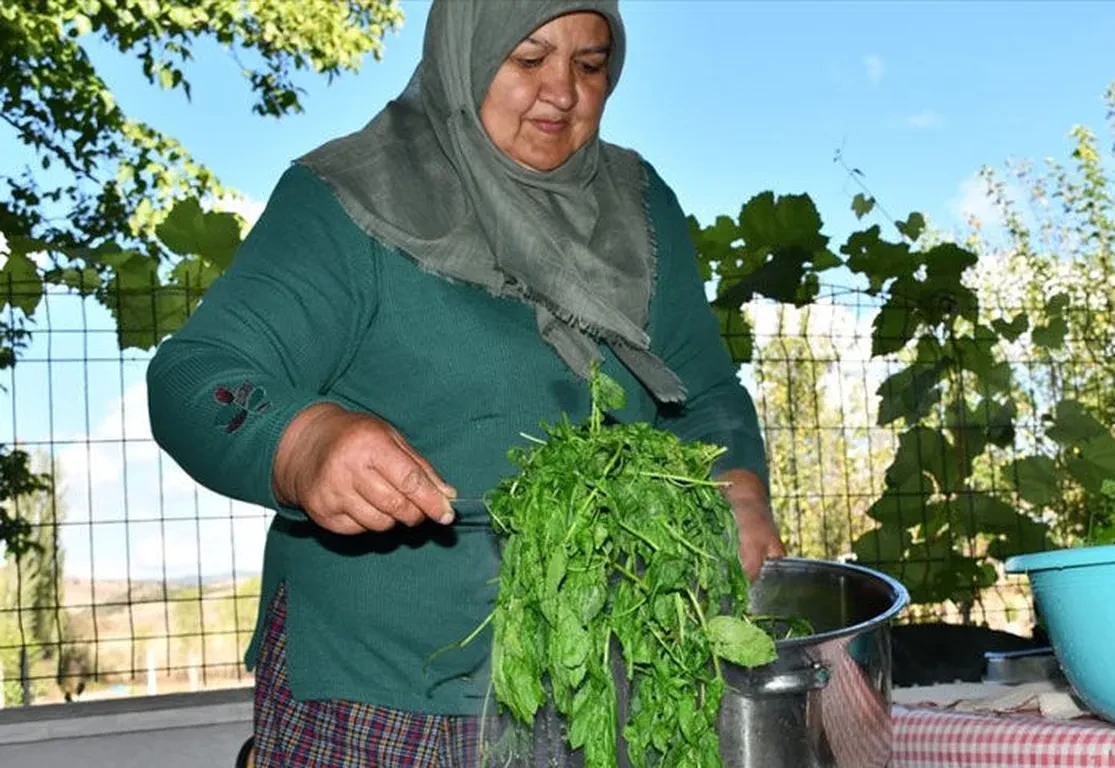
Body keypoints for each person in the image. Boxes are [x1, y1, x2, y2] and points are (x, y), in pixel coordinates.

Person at [147, 0, 784, 764]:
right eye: (528, 60)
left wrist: (738, 484)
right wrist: (304, 443)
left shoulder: (640, 209)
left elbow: (702, 393)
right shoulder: (348, 200)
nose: (562, 93)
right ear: (467, 52)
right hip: (385, 693)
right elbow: (197, 374)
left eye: (589, 65)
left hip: (598, 673)